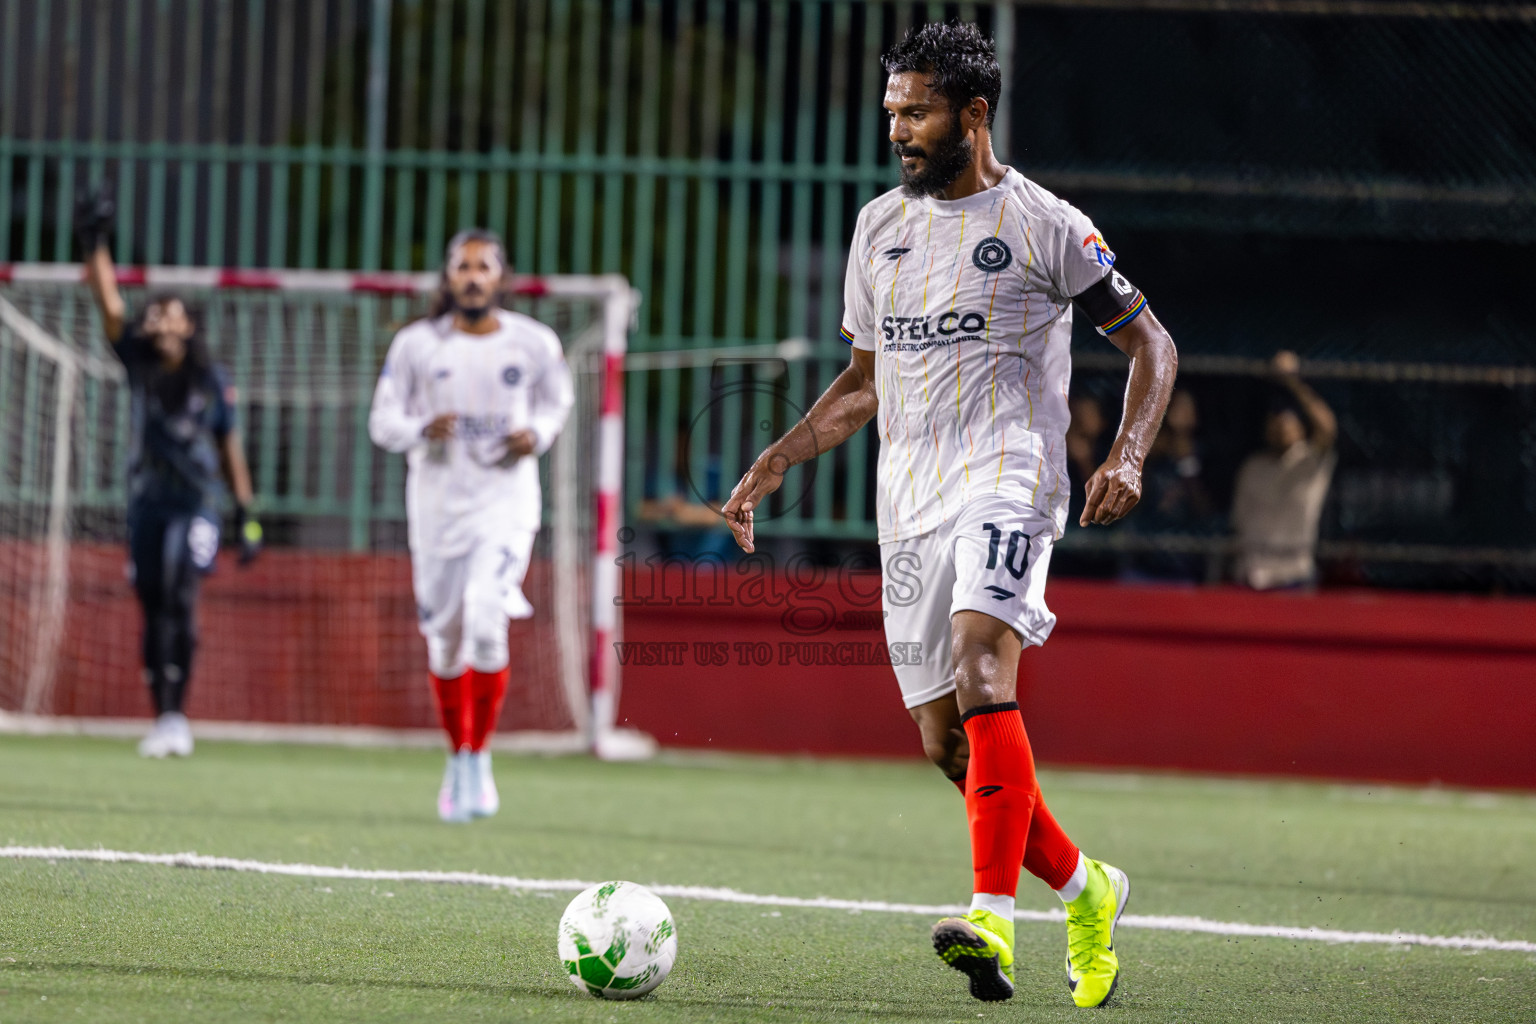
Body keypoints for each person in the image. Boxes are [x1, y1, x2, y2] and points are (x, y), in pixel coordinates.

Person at [723, 22, 1177, 1008]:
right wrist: (776, 459)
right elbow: (861, 382)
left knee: (983, 661)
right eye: (892, 111)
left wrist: (1129, 451)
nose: (898, 129)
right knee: (947, 744)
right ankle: (1088, 886)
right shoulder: (878, 227)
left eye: (916, 110)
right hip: (910, 498)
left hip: (1010, 475)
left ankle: (990, 918)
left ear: (974, 114)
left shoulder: (1046, 223)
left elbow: (1154, 345)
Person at [368, 229, 573, 823]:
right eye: (463, 266)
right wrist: (419, 428)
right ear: (448, 277)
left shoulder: (534, 343)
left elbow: (555, 403)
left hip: (506, 506)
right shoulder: (416, 346)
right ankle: (456, 754)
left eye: (484, 267)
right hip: (436, 510)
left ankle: (478, 757)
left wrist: (536, 433)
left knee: (488, 617)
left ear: (501, 278)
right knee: (446, 640)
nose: (474, 277)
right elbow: (383, 421)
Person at [77, 185, 263, 759]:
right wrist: (95, 244)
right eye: (153, 312)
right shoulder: (137, 363)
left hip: (198, 502)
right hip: (147, 503)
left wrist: (247, 513)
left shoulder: (212, 380)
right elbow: (110, 306)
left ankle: (179, 713)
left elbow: (229, 445)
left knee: (184, 592)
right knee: (153, 600)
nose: (160, 321)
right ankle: (161, 713)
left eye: (172, 314)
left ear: (188, 327)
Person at [1231, 351, 1337, 589]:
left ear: (1301, 426)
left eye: (1288, 419)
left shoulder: (1309, 460)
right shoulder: (1253, 467)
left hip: (1293, 578)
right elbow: (1238, 523)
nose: (1281, 425)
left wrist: (1293, 381)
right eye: (1275, 419)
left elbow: (1327, 428)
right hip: (1251, 576)